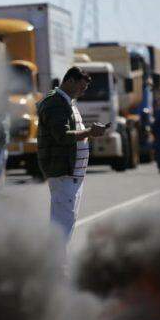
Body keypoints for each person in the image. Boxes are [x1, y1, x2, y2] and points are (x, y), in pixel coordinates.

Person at [36, 66, 107, 269]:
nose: (83, 91)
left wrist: (88, 132)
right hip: (64, 174)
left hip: (71, 174)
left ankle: (56, 269)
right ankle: (54, 271)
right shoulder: (56, 103)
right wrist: (90, 132)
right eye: (82, 87)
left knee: (64, 226)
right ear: (70, 81)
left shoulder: (66, 102)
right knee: (61, 229)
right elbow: (62, 136)